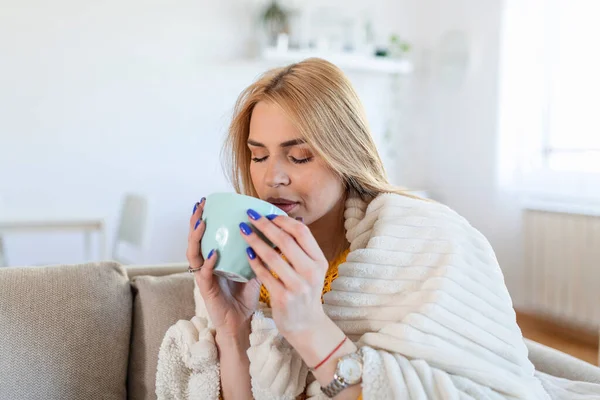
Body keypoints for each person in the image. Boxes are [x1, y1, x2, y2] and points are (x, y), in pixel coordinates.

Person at [156, 58, 599, 399]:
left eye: (299, 156)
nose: (274, 178)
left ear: (344, 152)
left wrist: (309, 325)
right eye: (258, 155)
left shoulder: (425, 241)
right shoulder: (245, 267)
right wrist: (233, 332)